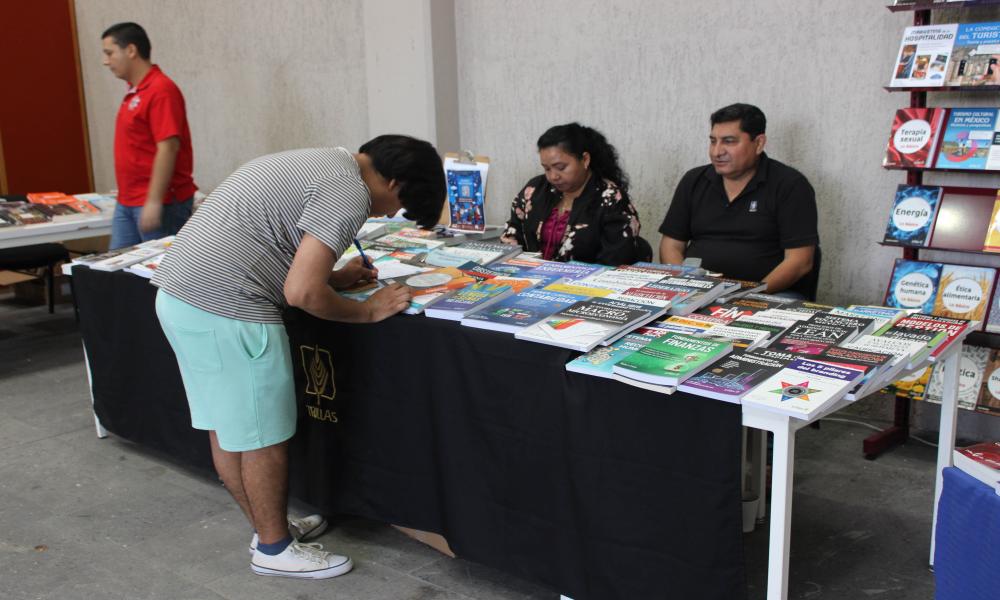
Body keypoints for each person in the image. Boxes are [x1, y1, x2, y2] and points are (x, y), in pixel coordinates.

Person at [151, 135, 445, 579]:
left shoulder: (322, 161)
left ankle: (267, 529)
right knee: (263, 436)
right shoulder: (349, 193)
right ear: (395, 182)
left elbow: (267, 240)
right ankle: (274, 549)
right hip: (231, 308)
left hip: (182, 297)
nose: (384, 215)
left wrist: (336, 278)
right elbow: (302, 292)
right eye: (394, 206)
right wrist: (368, 311)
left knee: (231, 427)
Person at [659, 103, 818, 298]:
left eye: (729, 141)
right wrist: (685, 284)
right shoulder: (694, 180)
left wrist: (746, 294)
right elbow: (671, 245)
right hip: (697, 293)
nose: (717, 152)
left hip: (768, 293)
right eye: (713, 141)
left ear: (758, 143)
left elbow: (799, 261)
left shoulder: (790, 185)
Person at [101, 22, 197, 249]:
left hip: (159, 202)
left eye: (109, 53)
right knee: (116, 274)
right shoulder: (135, 91)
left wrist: (153, 201)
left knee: (158, 276)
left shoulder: (161, 89)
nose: (106, 61)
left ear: (131, 51)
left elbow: (168, 147)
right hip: (128, 200)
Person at [500, 123, 643, 265]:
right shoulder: (535, 189)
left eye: (561, 167)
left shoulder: (611, 199)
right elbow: (512, 236)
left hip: (585, 285)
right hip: (530, 280)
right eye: (547, 169)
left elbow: (616, 260)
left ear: (585, 160)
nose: (553, 176)